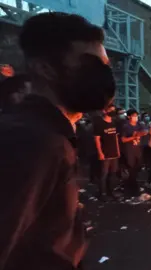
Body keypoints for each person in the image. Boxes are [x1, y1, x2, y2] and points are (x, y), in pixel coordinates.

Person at [0, 12, 115, 269]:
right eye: (90, 65)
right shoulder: (34, 142)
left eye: (105, 66)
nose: (103, 77)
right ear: (45, 68)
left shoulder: (50, 134)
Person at [121, 109, 151, 203]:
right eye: (134, 116)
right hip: (129, 150)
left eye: (136, 116)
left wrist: (142, 133)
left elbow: (146, 130)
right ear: (129, 116)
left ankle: (130, 185)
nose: (135, 117)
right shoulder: (126, 126)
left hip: (138, 149)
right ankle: (133, 188)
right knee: (131, 168)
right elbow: (123, 139)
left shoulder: (139, 125)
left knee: (138, 167)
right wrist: (133, 137)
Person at [94, 104, 121, 201]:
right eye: (110, 110)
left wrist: (118, 150)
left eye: (114, 110)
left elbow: (116, 137)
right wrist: (100, 153)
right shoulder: (100, 123)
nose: (112, 111)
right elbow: (97, 139)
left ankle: (111, 191)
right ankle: (102, 193)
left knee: (112, 173)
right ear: (104, 111)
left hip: (114, 153)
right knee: (103, 174)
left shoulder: (114, 122)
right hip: (105, 153)